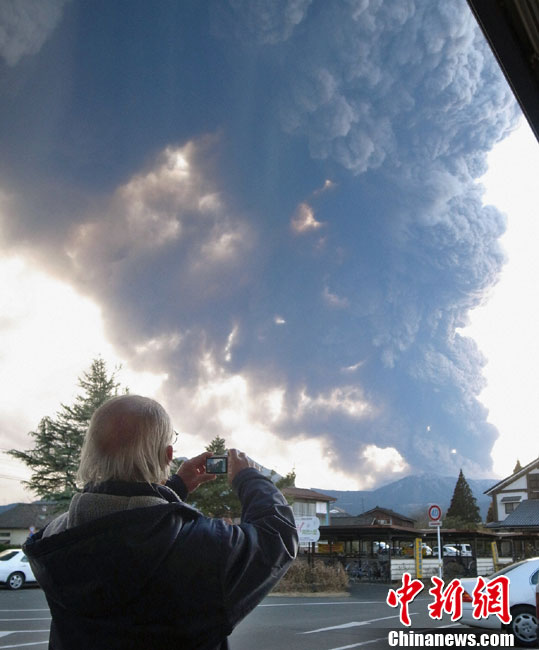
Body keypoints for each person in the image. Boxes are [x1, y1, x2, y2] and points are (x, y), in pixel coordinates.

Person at [24, 394, 298, 650]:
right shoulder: (202, 549)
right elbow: (277, 536)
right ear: (168, 456)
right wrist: (248, 478)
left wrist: (175, 487)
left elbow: (122, 526)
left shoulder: (55, 538)